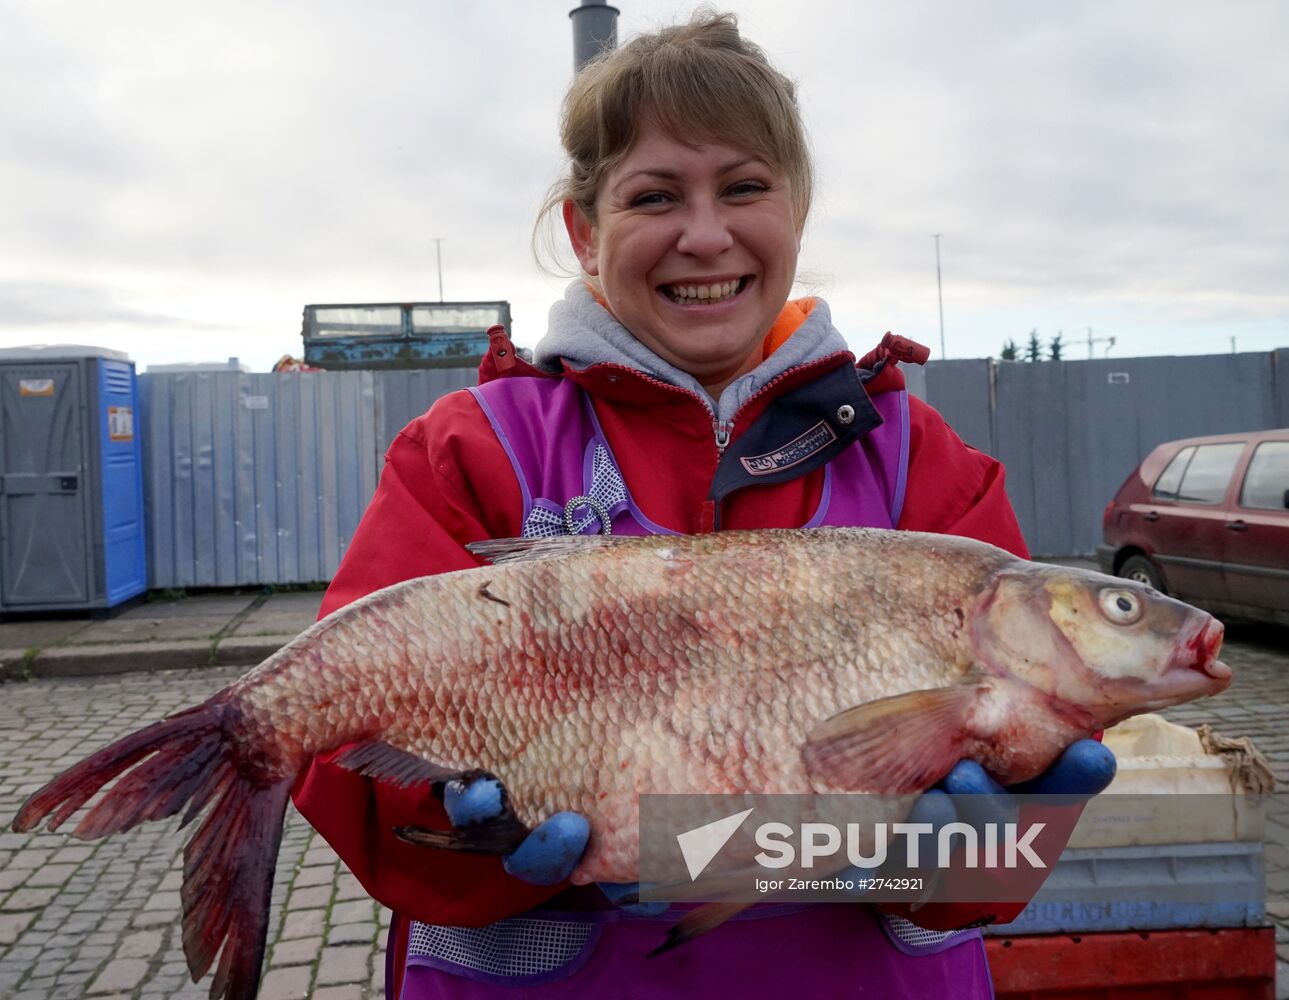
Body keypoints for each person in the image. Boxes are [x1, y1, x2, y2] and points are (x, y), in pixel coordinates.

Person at [293, 11, 1113, 997]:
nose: (705, 234)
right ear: (583, 232)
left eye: (744, 187)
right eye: (653, 195)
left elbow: (991, 864)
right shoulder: (469, 453)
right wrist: (456, 821)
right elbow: (340, 757)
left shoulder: (923, 470)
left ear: (796, 211)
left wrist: (964, 850)